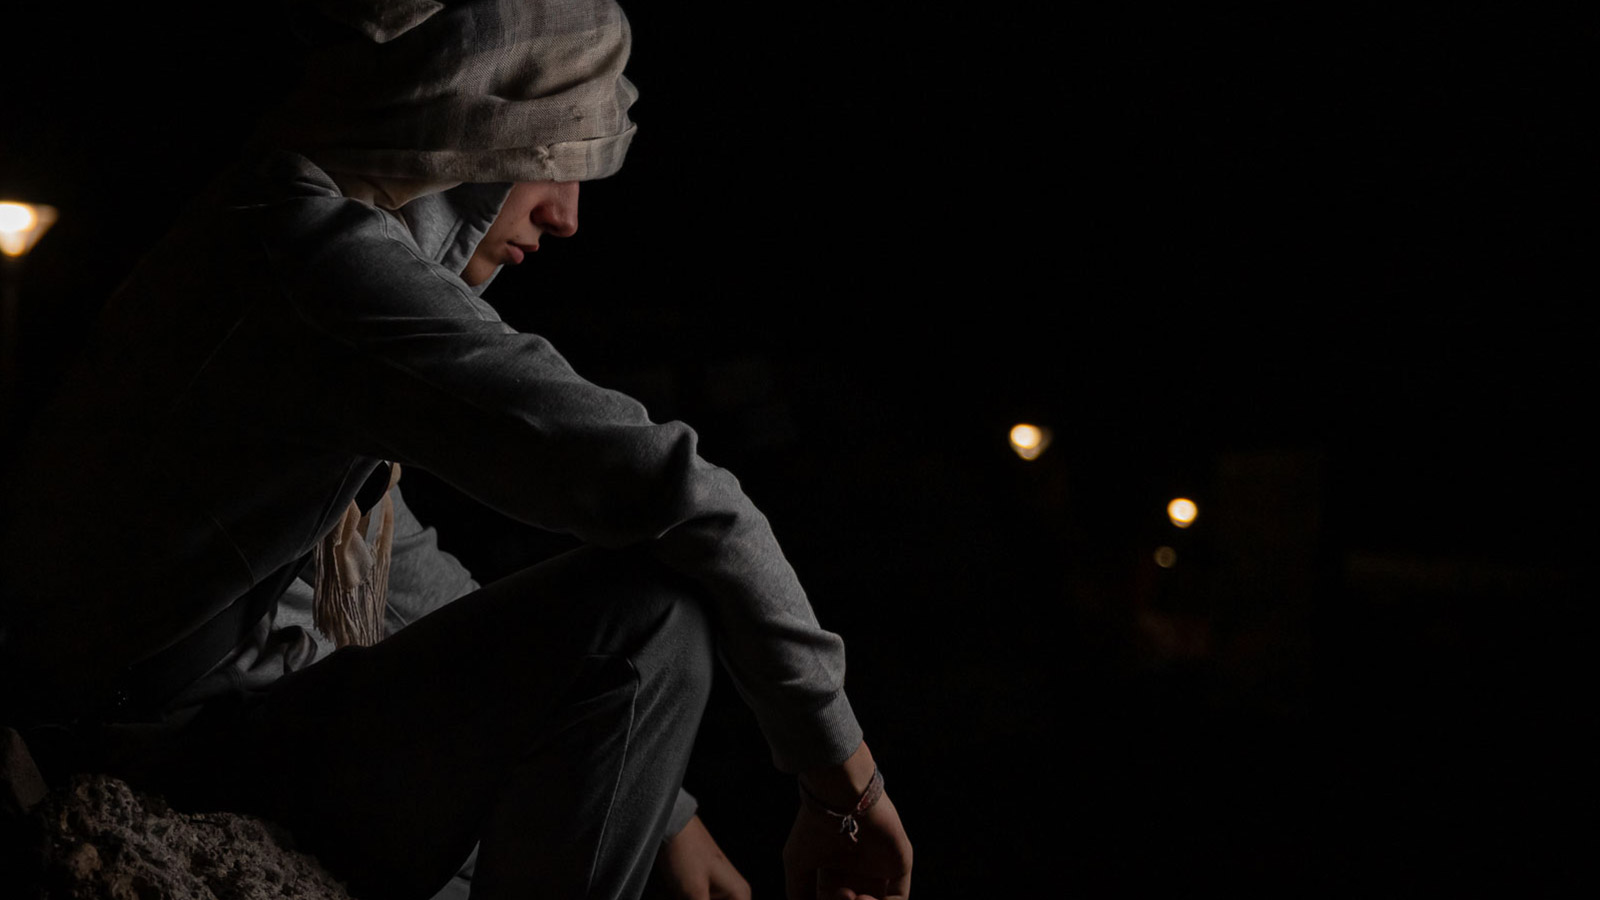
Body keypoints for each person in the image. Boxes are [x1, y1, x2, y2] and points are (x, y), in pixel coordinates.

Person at [0, 1, 913, 898]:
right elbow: (679, 493)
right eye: (551, 156)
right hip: (166, 755)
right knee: (651, 616)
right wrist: (844, 783)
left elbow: (400, 569)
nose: (566, 215)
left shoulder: (270, 222)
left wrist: (670, 814)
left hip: (206, 728)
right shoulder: (319, 266)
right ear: (459, 127)